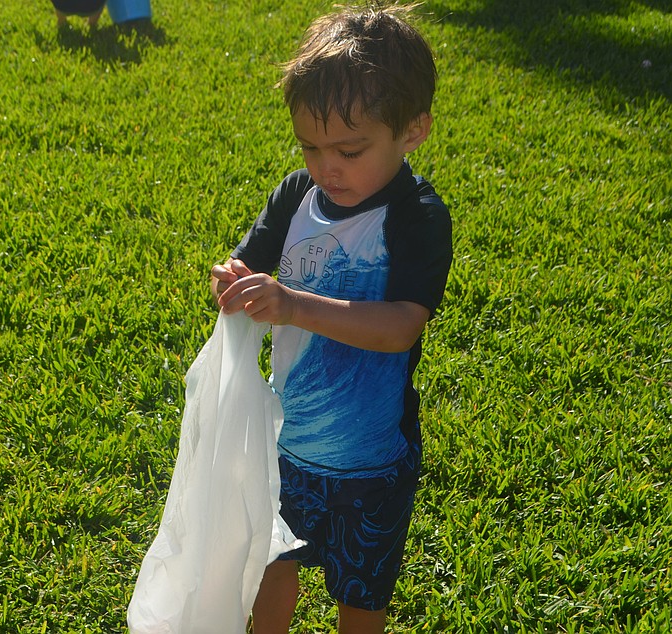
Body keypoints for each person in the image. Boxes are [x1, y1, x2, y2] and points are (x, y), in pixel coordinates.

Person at [210, 4, 452, 633]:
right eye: (311, 148)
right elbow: (245, 262)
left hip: (372, 458)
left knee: (362, 593)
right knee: (273, 567)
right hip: (289, 442)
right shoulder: (296, 197)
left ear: (413, 130)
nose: (327, 168)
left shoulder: (415, 215)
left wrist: (293, 304)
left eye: (350, 149)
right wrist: (232, 280)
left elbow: (401, 325)